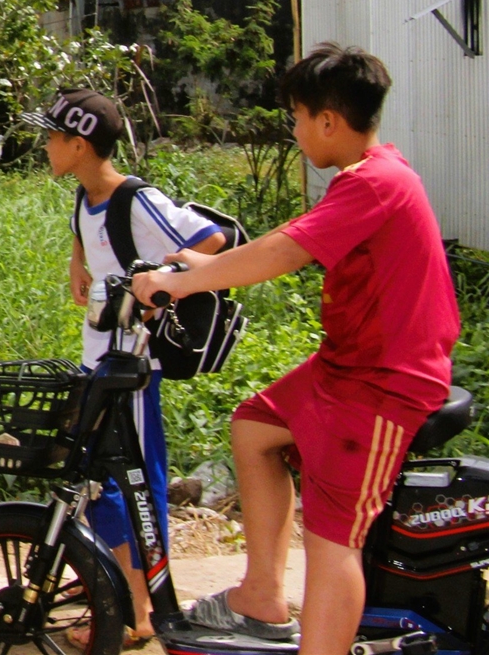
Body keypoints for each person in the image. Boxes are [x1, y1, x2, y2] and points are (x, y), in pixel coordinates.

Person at [135, 44, 460, 654]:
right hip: (345, 367)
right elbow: (289, 240)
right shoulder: (366, 175)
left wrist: (180, 281)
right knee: (256, 426)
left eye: (297, 117)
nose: (294, 129)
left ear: (328, 121)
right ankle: (261, 595)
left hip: (385, 383)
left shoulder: (378, 182)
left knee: (333, 539)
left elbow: (286, 252)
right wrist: (207, 264)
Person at [22, 88, 225, 645]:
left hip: (133, 370)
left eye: (51, 136)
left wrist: (164, 283)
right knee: (95, 483)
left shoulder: (135, 199)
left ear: (79, 144)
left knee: (132, 484)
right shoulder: (85, 196)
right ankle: (117, 590)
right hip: (99, 364)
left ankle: (139, 610)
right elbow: (85, 234)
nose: (44, 145)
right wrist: (78, 261)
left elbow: (210, 238)